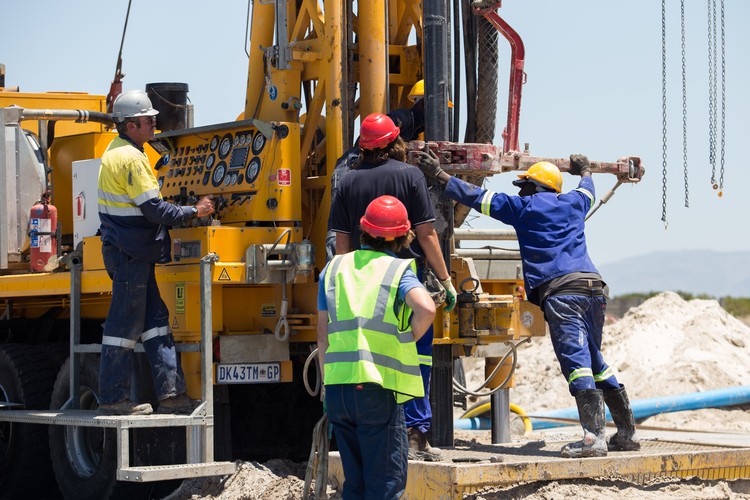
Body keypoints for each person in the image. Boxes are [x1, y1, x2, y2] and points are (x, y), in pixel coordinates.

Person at [414, 149, 640, 458]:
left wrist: (439, 174)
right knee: (595, 360)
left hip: (562, 294)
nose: (520, 191)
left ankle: (593, 438)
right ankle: (626, 433)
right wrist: (585, 170)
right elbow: (588, 190)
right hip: (594, 289)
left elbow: (476, 196)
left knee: (576, 364)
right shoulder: (573, 203)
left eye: (524, 186)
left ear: (535, 187)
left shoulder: (523, 208)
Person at [329, 113, 456, 461]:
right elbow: (427, 233)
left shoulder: (347, 181)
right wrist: (445, 279)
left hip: (360, 282)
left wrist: (344, 279)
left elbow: (341, 243)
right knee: (414, 358)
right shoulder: (411, 175)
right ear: (392, 142)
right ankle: (415, 434)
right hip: (401, 278)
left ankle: (376, 435)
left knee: (367, 360)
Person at [97, 90, 215, 415]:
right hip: (130, 252)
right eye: (149, 121)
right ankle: (112, 400)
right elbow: (155, 210)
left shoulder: (116, 150)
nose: (154, 125)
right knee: (123, 328)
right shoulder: (132, 159)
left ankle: (172, 394)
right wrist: (195, 210)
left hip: (133, 252)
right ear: (131, 124)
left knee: (156, 323)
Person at [317, 195, 436, 498]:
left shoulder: (333, 269)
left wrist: (327, 390)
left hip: (339, 390)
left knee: (354, 485)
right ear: (401, 236)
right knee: (385, 485)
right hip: (376, 390)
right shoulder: (396, 270)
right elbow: (427, 308)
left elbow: (322, 335)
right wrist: (407, 337)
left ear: (364, 230)